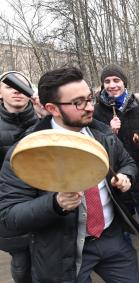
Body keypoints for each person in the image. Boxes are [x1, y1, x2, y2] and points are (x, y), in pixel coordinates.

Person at [0, 67, 139, 283]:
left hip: (112, 238)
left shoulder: (103, 134)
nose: (90, 107)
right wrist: (55, 204)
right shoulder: (28, 151)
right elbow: (9, 215)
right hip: (62, 251)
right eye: (78, 103)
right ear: (52, 108)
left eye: (90, 99)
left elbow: (128, 163)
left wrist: (126, 176)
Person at [93, 65, 139, 283]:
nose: (112, 85)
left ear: (124, 82)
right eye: (107, 81)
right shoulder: (97, 112)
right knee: (124, 234)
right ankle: (129, 274)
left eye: (116, 80)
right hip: (115, 181)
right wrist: (109, 131)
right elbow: (93, 147)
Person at [0, 71, 39, 283]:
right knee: (22, 264)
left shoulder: (44, 119)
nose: (16, 90)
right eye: (9, 86)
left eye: (22, 86)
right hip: (10, 207)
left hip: (44, 202)